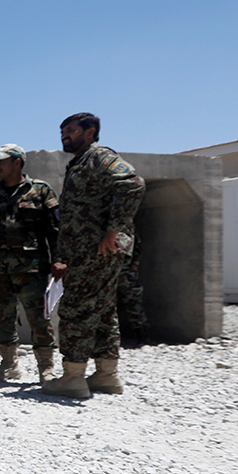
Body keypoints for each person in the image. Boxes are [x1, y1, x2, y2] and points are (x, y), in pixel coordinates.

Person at [44, 113, 145, 399]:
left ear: (90, 132)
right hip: (86, 250)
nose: (65, 135)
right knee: (103, 309)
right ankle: (106, 374)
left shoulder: (98, 156)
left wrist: (113, 231)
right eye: (62, 131)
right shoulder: (80, 162)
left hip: (94, 250)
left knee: (76, 307)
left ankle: (73, 377)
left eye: (71, 130)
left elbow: (133, 183)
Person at [0, 144, 60, 383]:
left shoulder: (40, 190)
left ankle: (46, 368)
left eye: (1, 161)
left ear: (17, 162)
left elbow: (55, 229)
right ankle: (9, 364)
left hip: (32, 268)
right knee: (1, 318)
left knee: (39, 318)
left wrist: (59, 259)